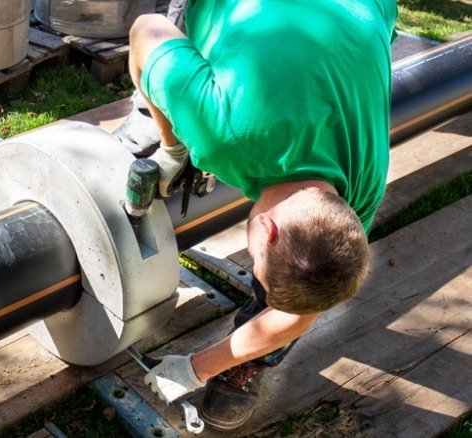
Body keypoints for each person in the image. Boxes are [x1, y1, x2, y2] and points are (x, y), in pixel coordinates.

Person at [126, 0, 398, 431]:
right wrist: (174, 144)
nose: (254, 268)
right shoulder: (224, 134)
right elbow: (146, 28)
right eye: (257, 267)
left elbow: (303, 308)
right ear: (268, 229)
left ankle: (246, 360)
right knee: (158, 96)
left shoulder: (358, 191)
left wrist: (198, 366)